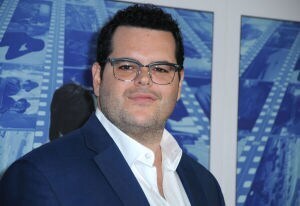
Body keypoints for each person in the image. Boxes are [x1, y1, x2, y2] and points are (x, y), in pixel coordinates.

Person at [0, 4, 225, 206]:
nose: (144, 79)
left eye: (161, 69)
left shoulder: (206, 186)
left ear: (179, 83)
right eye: (127, 66)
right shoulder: (40, 176)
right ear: (98, 79)